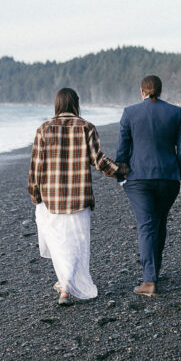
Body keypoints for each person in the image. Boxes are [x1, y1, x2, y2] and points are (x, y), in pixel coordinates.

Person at [28, 88, 126, 306]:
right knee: (77, 243)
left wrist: (35, 195)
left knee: (59, 242)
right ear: (76, 104)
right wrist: (119, 170)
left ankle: (65, 285)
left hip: (51, 198)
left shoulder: (43, 129)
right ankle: (67, 284)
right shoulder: (86, 127)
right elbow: (99, 161)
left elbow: (36, 168)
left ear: (57, 105)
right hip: (78, 197)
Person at [115, 75, 181, 296]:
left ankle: (149, 281)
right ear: (160, 90)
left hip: (139, 179)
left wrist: (121, 176)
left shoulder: (130, 112)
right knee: (159, 222)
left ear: (142, 91)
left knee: (146, 225)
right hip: (168, 177)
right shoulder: (176, 112)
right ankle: (154, 271)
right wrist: (179, 173)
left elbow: (122, 149)